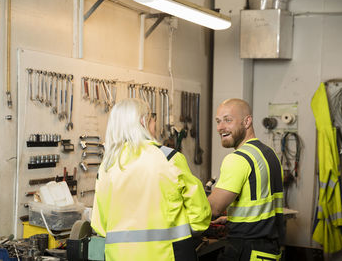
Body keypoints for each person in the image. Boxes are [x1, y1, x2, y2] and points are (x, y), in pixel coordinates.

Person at [91, 98, 211, 261]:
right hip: (169, 254)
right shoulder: (168, 157)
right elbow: (199, 214)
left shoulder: (107, 166)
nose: (155, 124)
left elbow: (100, 224)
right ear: (143, 121)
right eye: (153, 119)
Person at [208, 98, 284, 261]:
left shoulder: (238, 159)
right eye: (218, 121)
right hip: (270, 250)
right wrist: (232, 218)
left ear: (247, 121)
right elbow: (262, 204)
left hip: (246, 250)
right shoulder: (269, 154)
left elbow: (213, 208)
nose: (220, 127)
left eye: (228, 120)